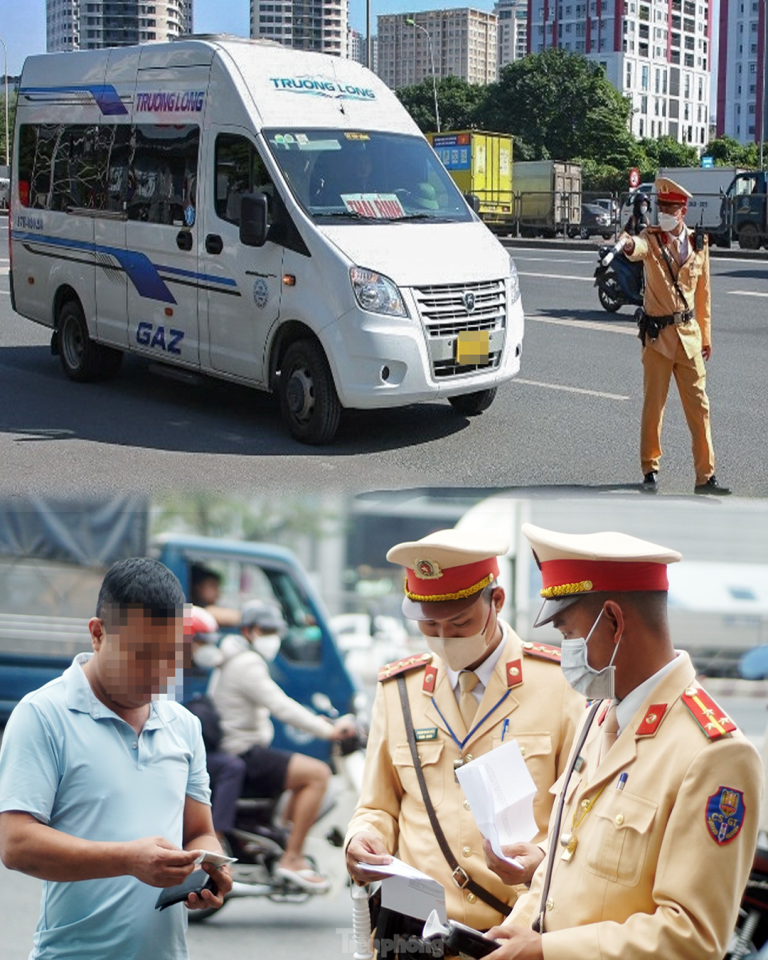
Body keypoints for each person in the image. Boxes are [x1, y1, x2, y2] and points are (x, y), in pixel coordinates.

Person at [483, 522, 762, 960]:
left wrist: (546, 950)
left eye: (569, 634)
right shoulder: (600, 715)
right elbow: (562, 866)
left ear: (614, 621)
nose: (565, 652)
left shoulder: (714, 754)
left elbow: (692, 937)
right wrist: (512, 934)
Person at [345, 530, 585, 954]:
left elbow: (578, 822)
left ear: (496, 601)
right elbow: (378, 804)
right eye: (429, 625)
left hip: (514, 929)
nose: (443, 638)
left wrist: (540, 860)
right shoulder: (399, 689)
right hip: (414, 932)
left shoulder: (559, 685)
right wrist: (363, 837)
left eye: (460, 623)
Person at [0, 558, 233, 960]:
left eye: (170, 655)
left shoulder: (184, 726)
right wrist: (127, 860)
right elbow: (16, 843)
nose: (159, 673)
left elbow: (199, 831)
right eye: (141, 655)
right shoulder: (42, 715)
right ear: (97, 633)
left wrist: (208, 871)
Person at [211, 598, 356, 891]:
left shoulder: (232, 658)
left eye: (275, 630)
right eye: (266, 630)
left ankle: (283, 839)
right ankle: (292, 857)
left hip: (240, 749)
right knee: (317, 774)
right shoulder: (246, 663)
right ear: (248, 631)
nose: (272, 637)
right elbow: (281, 706)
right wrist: (327, 731)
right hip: (244, 753)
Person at [620, 176, 729, 494]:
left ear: (683, 211)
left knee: (700, 407)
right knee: (654, 406)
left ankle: (705, 477)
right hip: (658, 339)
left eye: (670, 208)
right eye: (661, 207)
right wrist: (628, 244)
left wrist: (706, 336)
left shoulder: (699, 243)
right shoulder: (650, 238)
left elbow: (704, 294)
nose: (664, 213)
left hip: (690, 337)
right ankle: (650, 469)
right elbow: (636, 248)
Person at [181, 606, 245, 845]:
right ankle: (213, 838)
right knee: (232, 767)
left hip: (200, 748)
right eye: (201, 641)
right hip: (179, 752)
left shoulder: (199, 672)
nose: (208, 648)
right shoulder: (167, 673)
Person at [189, 562, 240, 627]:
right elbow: (207, 613)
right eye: (212, 585)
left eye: (217, 586)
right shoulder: (193, 608)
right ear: (199, 587)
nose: (217, 591)